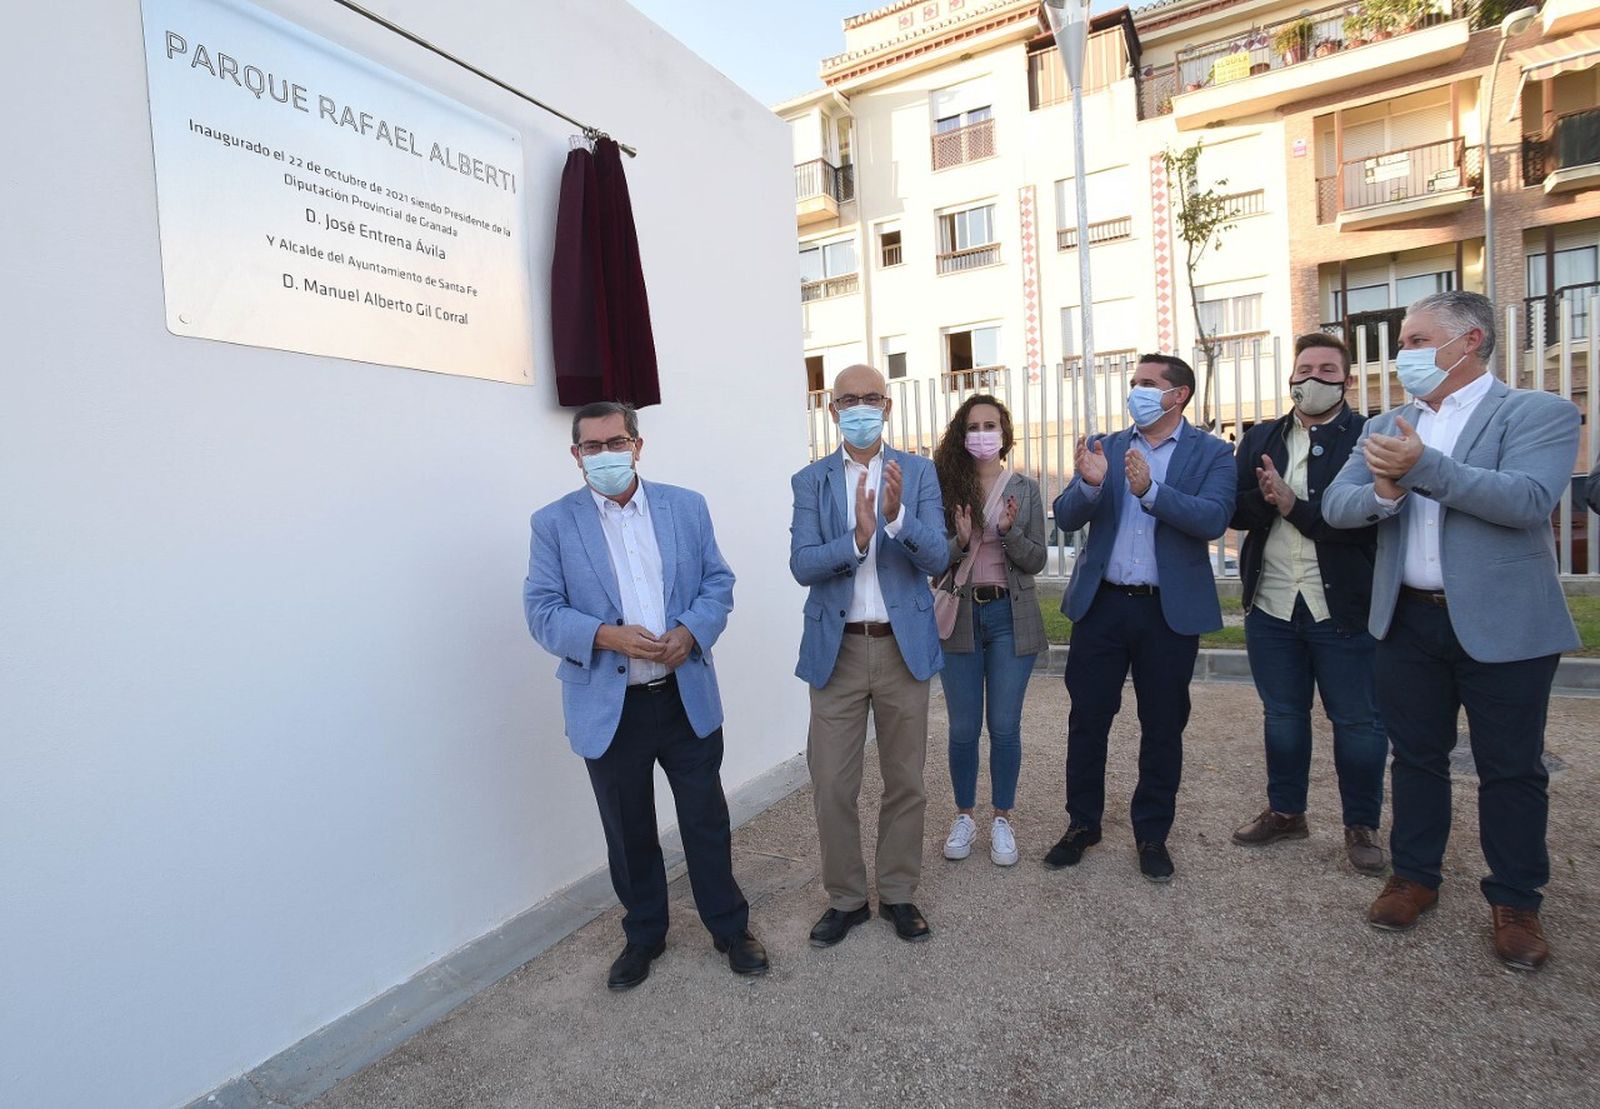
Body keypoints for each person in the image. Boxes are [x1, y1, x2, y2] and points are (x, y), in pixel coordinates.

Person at [1324, 291, 1580, 972]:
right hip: (1406, 619)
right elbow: (1339, 505)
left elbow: (1527, 499)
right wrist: (1386, 491)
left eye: (1413, 338)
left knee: (1511, 767)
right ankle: (1414, 876)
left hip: (1504, 624)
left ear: (1468, 342)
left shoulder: (1538, 412)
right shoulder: (1388, 422)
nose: (1401, 352)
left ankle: (1516, 900)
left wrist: (1421, 468)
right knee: (1415, 757)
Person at [523, 402, 767, 990]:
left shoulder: (686, 507)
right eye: (592, 446)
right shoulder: (553, 523)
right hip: (611, 709)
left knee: (705, 818)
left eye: (616, 442)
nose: (605, 454)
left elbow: (718, 582)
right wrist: (607, 636)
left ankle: (730, 927)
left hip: (684, 695)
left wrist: (691, 632)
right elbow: (542, 611)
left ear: (638, 443)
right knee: (629, 830)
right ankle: (645, 935)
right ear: (576, 455)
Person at [1044, 354, 1235, 882]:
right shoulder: (1106, 445)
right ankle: (1083, 824)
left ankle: (1152, 833)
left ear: (1180, 395)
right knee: (1087, 719)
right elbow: (1064, 516)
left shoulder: (1214, 454)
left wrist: (1151, 491)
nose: (1137, 392)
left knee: (1163, 725)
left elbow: (1214, 518)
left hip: (1166, 611)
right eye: (1134, 384)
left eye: (1149, 384)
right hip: (1102, 605)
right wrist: (1086, 484)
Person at [790, 364, 950, 946]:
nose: (861, 408)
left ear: (887, 405)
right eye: (848, 399)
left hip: (901, 647)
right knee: (832, 782)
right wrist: (857, 539)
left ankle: (900, 893)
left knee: (906, 779)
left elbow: (938, 558)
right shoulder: (810, 481)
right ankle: (847, 898)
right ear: (832, 411)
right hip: (837, 652)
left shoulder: (920, 473)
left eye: (871, 398)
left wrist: (896, 520)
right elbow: (803, 563)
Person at [1229, 333, 1387, 875]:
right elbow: (1237, 511)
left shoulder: (1369, 435)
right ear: (1291, 376)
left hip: (1343, 607)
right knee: (1283, 717)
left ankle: (1361, 825)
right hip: (1272, 604)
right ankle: (1286, 811)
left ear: (1345, 379)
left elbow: (1363, 523)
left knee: (1359, 723)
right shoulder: (1263, 437)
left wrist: (1294, 505)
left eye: (1325, 370)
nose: (1312, 380)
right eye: (1303, 369)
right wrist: (1271, 501)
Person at [931, 395, 1048, 866]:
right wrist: (960, 542)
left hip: (1009, 616)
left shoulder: (1026, 489)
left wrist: (1009, 530)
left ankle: (1002, 818)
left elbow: (1037, 559)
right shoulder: (944, 487)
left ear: (1005, 433)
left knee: (1003, 725)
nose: (982, 433)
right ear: (962, 434)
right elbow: (932, 560)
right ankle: (964, 815)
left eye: (991, 425)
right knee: (962, 728)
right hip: (959, 615)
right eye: (974, 425)